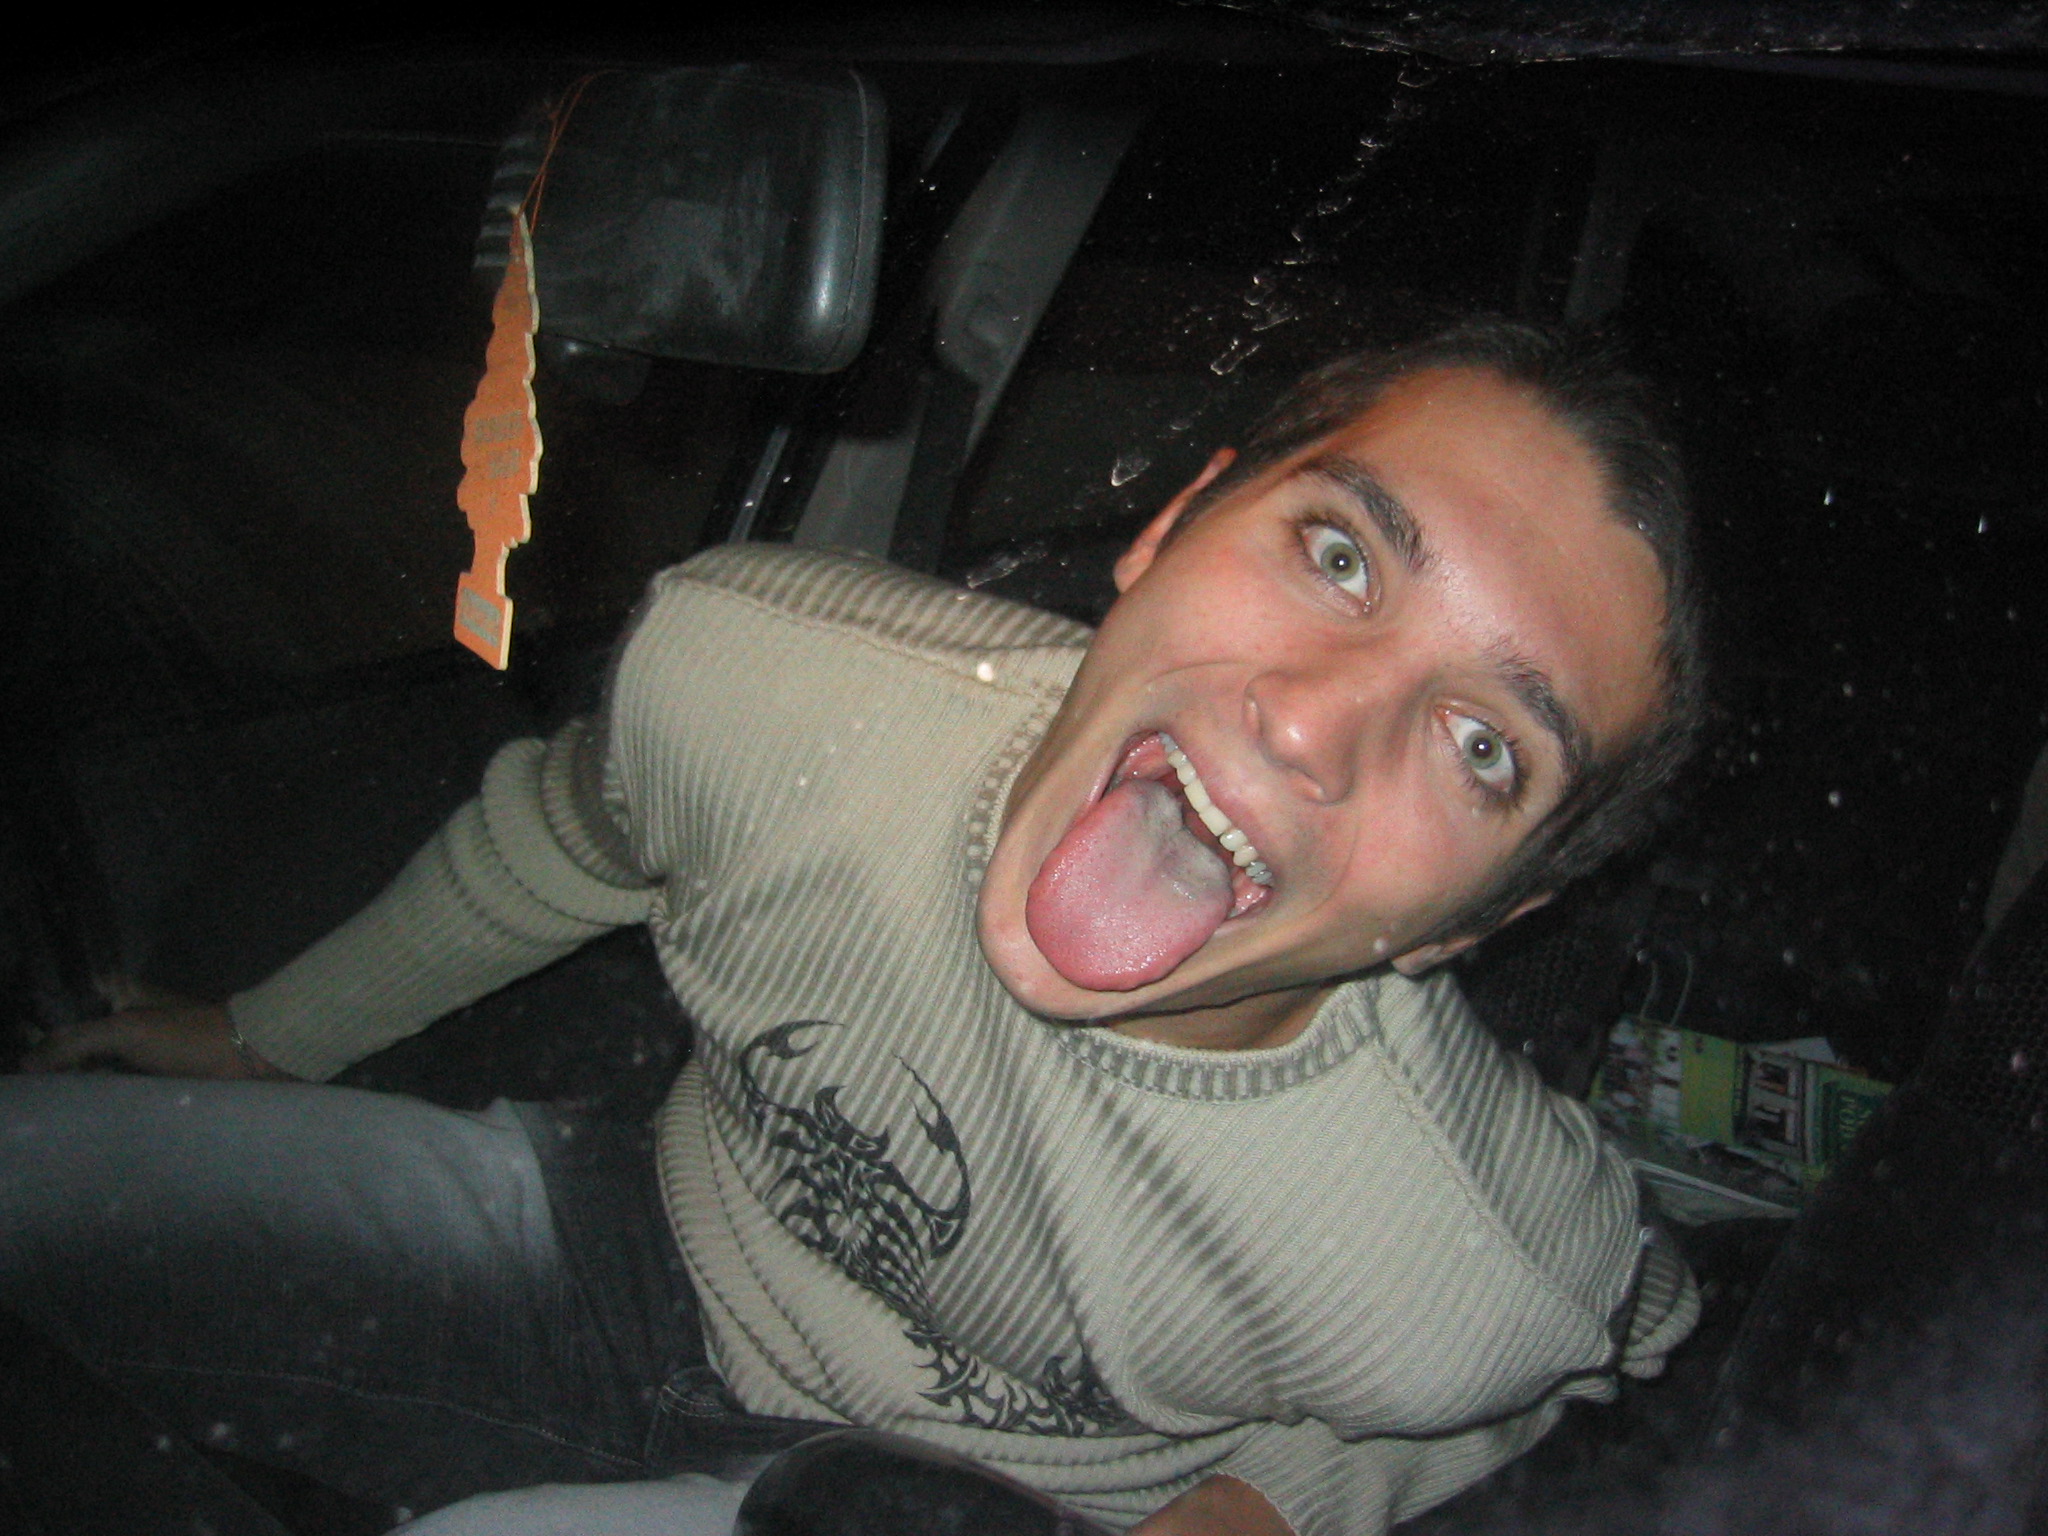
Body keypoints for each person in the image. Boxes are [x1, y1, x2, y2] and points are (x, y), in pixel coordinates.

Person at [4, 317, 1705, 1536]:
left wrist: (1265, 1504)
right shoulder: (768, 683)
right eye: (1337, 555)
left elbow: (1567, 1377)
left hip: (964, 1499)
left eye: (1486, 748)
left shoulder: (1478, 1242)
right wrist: (264, 1036)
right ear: (1171, 526)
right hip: (622, 1243)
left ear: (1478, 919)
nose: (1315, 725)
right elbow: (568, 833)